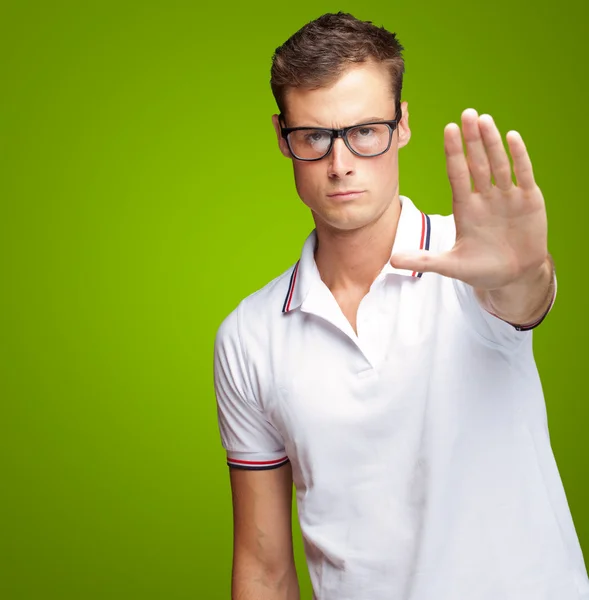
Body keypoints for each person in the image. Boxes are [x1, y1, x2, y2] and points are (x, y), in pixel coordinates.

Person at [213, 12, 589, 600]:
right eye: (313, 136)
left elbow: (523, 297)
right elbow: (263, 568)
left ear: (403, 123)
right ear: (282, 136)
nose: (340, 163)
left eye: (365, 131)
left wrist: (525, 271)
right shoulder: (249, 337)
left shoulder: (473, 264)